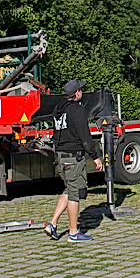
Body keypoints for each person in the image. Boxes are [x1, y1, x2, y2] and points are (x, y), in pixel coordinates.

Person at [44, 80, 103, 243]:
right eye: (80, 90)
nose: (82, 92)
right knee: (75, 193)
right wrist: (95, 156)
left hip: (61, 155)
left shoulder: (58, 109)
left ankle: (52, 224)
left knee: (69, 189)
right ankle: (73, 232)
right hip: (73, 156)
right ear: (76, 93)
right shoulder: (77, 110)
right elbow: (85, 136)